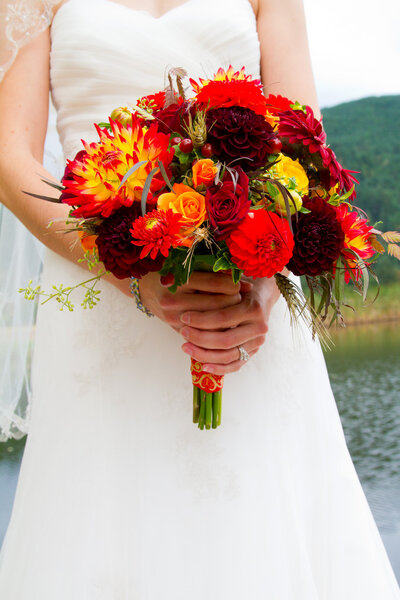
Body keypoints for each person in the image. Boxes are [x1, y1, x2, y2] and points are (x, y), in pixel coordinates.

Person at [0, 0, 399, 597]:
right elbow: (10, 161)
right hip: (96, 294)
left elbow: (303, 143)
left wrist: (262, 289)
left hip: (246, 293)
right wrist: (125, 267)